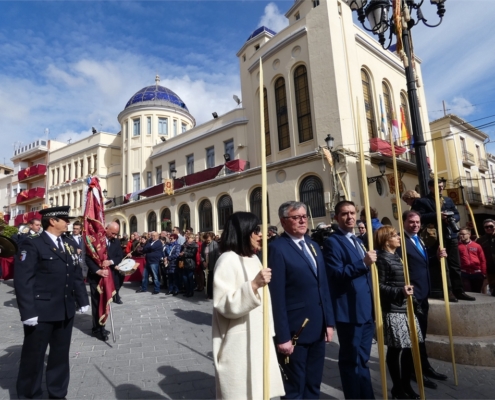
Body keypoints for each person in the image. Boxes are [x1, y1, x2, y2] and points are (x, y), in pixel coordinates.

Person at [14, 206, 89, 399]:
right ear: (52, 221)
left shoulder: (69, 243)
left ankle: (57, 393)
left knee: (60, 356)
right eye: (64, 219)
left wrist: (82, 299)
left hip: (64, 309)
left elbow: (74, 274)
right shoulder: (33, 244)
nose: (68, 222)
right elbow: (24, 280)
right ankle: (29, 394)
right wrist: (28, 311)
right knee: (34, 357)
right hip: (41, 312)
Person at [212, 211, 285, 399]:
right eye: (255, 230)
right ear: (243, 232)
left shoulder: (253, 259)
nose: (261, 234)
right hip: (238, 343)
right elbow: (223, 304)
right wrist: (253, 286)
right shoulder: (227, 260)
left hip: (258, 337)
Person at [269, 201, 335, 399]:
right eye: (296, 217)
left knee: (313, 384)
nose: (302, 221)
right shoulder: (277, 248)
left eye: (304, 216)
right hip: (294, 330)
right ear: (283, 221)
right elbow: (276, 296)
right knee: (294, 388)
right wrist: (282, 336)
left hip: (317, 327)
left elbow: (323, 286)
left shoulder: (313, 245)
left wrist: (329, 322)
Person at [323, 200, 376, 399]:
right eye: (344, 214)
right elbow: (336, 274)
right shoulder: (332, 242)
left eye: (353, 213)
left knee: (362, 360)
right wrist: (362, 263)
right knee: (350, 361)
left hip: (365, 310)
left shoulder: (359, 241)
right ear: (336, 217)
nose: (350, 217)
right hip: (349, 312)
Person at [375, 225, 423, 399]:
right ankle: (397, 387)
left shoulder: (397, 257)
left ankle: (406, 385)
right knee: (396, 349)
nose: (399, 238)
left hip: (406, 307)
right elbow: (379, 286)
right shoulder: (382, 259)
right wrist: (399, 292)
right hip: (394, 309)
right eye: (395, 236)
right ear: (386, 240)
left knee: (411, 348)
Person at [402, 210, 448, 389]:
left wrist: (435, 257)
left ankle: (425, 366)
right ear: (404, 222)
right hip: (412, 297)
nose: (415, 225)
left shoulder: (419, 239)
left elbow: (423, 262)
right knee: (415, 336)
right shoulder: (402, 242)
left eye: (417, 222)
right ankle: (415, 370)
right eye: (411, 222)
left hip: (423, 295)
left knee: (422, 335)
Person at [412, 179, 475, 301]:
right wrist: (437, 215)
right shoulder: (422, 201)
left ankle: (459, 290)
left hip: (450, 235)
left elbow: (457, 214)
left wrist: (451, 218)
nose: (441, 188)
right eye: (438, 186)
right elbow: (418, 216)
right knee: (442, 265)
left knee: (455, 265)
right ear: (430, 187)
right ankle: (447, 291)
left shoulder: (448, 200)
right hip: (435, 236)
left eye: (442, 186)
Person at [86, 222, 124, 340]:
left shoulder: (116, 242)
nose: (114, 236)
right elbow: (88, 258)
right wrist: (98, 270)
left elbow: (119, 256)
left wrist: (111, 262)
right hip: (96, 277)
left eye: (116, 234)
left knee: (106, 302)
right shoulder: (95, 240)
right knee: (97, 303)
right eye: (112, 233)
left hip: (109, 277)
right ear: (106, 229)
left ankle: (102, 325)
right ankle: (97, 328)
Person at [458, 227, 486, 293]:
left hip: (477, 273)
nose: (461, 236)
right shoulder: (457, 246)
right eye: (460, 234)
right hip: (464, 272)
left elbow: (482, 259)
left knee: (477, 292)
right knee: (467, 292)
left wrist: (483, 273)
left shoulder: (477, 246)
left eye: (463, 234)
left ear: (469, 234)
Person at [476, 219, 495, 295]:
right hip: (490, 270)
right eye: (486, 227)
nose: (489, 228)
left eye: (491, 226)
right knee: (493, 291)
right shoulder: (481, 240)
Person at [201, 231, 220, 299]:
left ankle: (212, 294)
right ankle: (208, 293)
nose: (207, 241)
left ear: (211, 238)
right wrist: (203, 261)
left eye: (208, 239)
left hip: (213, 264)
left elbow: (217, 255)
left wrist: (215, 265)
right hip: (206, 264)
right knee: (207, 279)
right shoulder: (203, 244)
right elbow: (201, 254)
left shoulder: (215, 244)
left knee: (211, 280)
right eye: (206, 239)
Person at [180, 233, 198, 297]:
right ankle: (187, 291)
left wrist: (184, 253)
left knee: (190, 278)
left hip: (190, 263)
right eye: (186, 238)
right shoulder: (184, 245)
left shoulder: (194, 245)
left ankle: (191, 292)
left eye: (188, 238)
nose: (187, 239)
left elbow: (192, 254)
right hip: (184, 263)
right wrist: (181, 253)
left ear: (192, 238)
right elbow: (182, 251)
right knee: (185, 278)